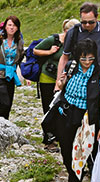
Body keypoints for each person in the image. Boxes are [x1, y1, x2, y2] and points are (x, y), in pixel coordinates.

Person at [53, 40, 100, 182]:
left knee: (78, 156)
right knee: (66, 153)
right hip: (65, 114)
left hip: (86, 118)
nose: (87, 62)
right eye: (84, 58)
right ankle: (77, 172)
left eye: (90, 58)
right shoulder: (71, 67)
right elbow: (60, 89)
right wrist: (61, 83)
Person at [56, 2, 100, 101]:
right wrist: (58, 83)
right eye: (84, 22)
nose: (87, 25)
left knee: (99, 112)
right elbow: (64, 58)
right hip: (77, 80)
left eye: (91, 22)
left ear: (97, 17)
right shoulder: (73, 32)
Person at [33, 18, 78, 147]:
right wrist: (50, 51)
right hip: (47, 77)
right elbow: (35, 50)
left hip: (65, 79)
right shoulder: (54, 40)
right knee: (48, 107)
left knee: (61, 108)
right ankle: (48, 138)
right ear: (65, 31)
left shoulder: (75, 43)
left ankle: (58, 135)